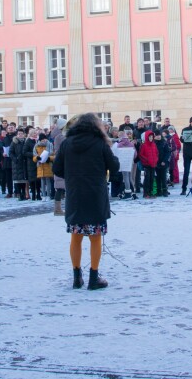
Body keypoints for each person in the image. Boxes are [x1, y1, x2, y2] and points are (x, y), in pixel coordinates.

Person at [53, 113, 120, 290]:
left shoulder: (67, 143)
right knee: (95, 237)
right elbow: (114, 167)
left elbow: (57, 169)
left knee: (76, 236)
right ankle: (94, 277)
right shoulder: (100, 143)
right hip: (95, 194)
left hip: (75, 194)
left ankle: (76, 277)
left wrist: (72, 175)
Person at [51, 118, 68, 215]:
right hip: (63, 163)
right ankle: (58, 209)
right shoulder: (61, 137)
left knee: (60, 187)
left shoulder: (59, 136)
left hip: (61, 162)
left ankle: (58, 209)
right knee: (61, 187)